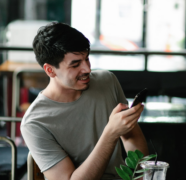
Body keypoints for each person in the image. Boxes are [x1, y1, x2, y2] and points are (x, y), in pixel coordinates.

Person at [21, 22, 148, 180]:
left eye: (87, 59)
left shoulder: (107, 81)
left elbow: (132, 138)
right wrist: (110, 133)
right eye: (75, 64)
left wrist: (142, 177)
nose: (87, 69)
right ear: (50, 70)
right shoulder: (35, 122)